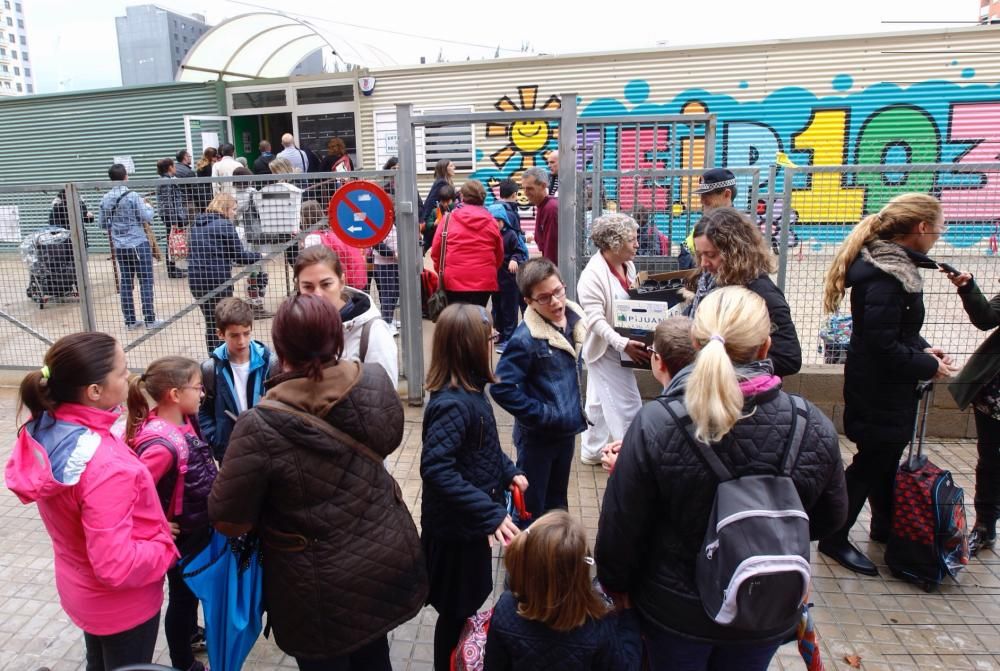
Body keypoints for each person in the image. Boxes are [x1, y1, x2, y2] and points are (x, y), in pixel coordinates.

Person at [596, 287, 847, 670]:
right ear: (766, 347)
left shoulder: (657, 423)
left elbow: (622, 527)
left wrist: (616, 585)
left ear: (697, 344)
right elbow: (830, 518)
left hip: (676, 611)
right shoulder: (810, 422)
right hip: (763, 603)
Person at [209, 294, 427, 671]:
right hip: (382, 560)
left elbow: (228, 520)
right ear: (336, 338)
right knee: (374, 657)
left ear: (280, 347)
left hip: (315, 588)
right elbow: (390, 437)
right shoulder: (371, 380)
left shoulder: (259, 426)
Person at [6, 332, 177, 671]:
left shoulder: (49, 428)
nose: (129, 377)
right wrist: (162, 548)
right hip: (122, 605)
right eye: (121, 371)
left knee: (98, 661)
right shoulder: (104, 467)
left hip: (83, 591)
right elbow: (115, 564)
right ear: (94, 391)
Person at [819, 193, 956, 575]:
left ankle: (883, 527)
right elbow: (881, 343)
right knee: (870, 462)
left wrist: (928, 351)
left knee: (883, 459)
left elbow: (897, 331)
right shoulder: (886, 275)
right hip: (880, 389)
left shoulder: (892, 267)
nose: (939, 236)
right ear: (921, 228)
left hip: (884, 385)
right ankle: (834, 535)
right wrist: (926, 365)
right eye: (939, 228)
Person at [420, 303, 527, 671]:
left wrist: (508, 471)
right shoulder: (453, 404)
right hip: (455, 534)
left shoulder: (471, 392)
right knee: (454, 613)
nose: (493, 345)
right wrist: (490, 513)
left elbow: (483, 450)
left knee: (463, 608)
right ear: (470, 348)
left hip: (468, 527)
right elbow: (435, 468)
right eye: (489, 339)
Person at [125, 356, 217, 671]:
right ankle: (183, 661)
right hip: (181, 537)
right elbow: (128, 494)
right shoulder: (162, 446)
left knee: (189, 593)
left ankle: (191, 633)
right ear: (174, 395)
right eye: (197, 387)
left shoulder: (185, 419)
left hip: (196, 526)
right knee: (182, 599)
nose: (202, 394)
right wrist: (158, 523)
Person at [484, 510, 641, 671]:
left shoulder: (506, 608)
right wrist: (629, 617)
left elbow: (493, 665)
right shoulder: (597, 623)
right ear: (579, 572)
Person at [491, 258, 586, 521]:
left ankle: (553, 555)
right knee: (530, 507)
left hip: (565, 433)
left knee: (557, 502)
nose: (555, 302)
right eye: (544, 298)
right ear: (529, 301)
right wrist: (542, 414)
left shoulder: (574, 321)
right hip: (538, 439)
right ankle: (524, 557)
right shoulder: (526, 339)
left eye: (558, 292)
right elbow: (501, 388)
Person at [683, 207, 802, 377]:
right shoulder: (709, 281)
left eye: (710, 255)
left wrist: (737, 357)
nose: (703, 263)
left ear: (735, 252)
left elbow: (790, 359)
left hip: (747, 393)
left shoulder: (762, 293)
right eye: (700, 254)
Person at [577, 213, 647, 465]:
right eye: (631, 240)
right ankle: (632, 459)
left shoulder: (628, 265)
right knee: (627, 403)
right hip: (606, 347)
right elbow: (594, 320)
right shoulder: (592, 275)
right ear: (614, 244)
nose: (637, 244)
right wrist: (621, 343)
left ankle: (592, 450)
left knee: (598, 400)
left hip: (620, 343)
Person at [946, 268, 1000, 556]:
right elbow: (986, 318)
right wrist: (968, 287)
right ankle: (985, 525)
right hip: (995, 395)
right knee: (991, 459)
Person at [601, 315, 696, 473]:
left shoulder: (654, 417)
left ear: (658, 360)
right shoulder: (720, 400)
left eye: (651, 350)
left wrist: (620, 467)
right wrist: (631, 448)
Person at [294, 244, 398, 384]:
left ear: (341, 282)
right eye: (308, 287)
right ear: (298, 287)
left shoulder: (373, 332)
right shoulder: (294, 328)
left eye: (326, 284)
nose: (318, 294)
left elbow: (385, 395)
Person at [199, 297, 279, 462]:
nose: (241, 341)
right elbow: (204, 410)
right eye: (234, 335)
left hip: (268, 449)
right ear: (220, 334)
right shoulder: (210, 369)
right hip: (230, 452)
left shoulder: (271, 363)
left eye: (246, 333)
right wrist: (215, 440)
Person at [187, 193, 262, 353]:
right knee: (223, 320)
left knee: (210, 321)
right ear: (225, 208)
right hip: (217, 279)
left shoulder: (196, 224)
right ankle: (224, 357)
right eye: (233, 209)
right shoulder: (224, 225)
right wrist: (260, 256)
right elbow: (240, 256)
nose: (235, 213)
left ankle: (213, 357)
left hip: (196, 279)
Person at [99, 163, 164, 330]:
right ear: (125, 176)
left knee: (126, 282)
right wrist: (149, 207)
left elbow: (102, 223)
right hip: (138, 243)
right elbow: (146, 216)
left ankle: (130, 321)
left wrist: (117, 226)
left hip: (120, 246)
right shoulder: (133, 196)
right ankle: (150, 319)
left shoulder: (106, 198)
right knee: (146, 281)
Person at [430, 180, 504, 307]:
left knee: (455, 321)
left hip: (453, 279)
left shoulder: (448, 219)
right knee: (477, 320)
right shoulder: (492, 222)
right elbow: (499, 254)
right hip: (484, 280)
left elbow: (436, 251)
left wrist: (443, 272)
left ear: (462, 197)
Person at [490, 178, 529, 350]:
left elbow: (520, 251)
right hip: (496, 279)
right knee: (497, 307)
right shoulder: (491, 235)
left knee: (510, 308)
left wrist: (515, 259)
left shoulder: (511, 235)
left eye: (498, 221)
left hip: (510, 278)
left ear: (504, 220)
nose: (495, 224)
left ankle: (510, 337)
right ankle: (501, 334)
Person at [301, 200, 369, 290]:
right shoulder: (334, 232)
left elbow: (310, 265)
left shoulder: (313, 237)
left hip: (337, 283)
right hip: (355, 279)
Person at [156, 157, 189, 279]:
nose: (175, 168)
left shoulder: (168, 180)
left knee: (171, 241)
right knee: (171, 242)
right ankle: (171, 269)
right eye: (174, 166)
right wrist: (174, 219)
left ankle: (173, 266)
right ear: (170, 167)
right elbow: (168, 202)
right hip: (170, 216)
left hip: (171, 215)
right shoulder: (165, 181)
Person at [523, 166, 559, 263]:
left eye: (530, 188)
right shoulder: (543, 206)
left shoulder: (550, 209)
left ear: (543, 186)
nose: (525, 193)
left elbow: (551, 250)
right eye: (524, 188)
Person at [420, 158, 456, 225]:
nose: (454, 167)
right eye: (451, 166)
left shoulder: (447, 181)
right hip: (437, 220)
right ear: (444, 169)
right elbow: (431, 201)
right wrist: (424, 220)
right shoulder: (441, 182)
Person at [422, 182, 456, 252]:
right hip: (439, 241)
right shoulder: (435, 211)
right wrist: (434, 224)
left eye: (448, 201)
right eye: (443, 202)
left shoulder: (456, 210)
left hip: (452, 241)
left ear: (453, 200)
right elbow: (428, 224)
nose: (445, 204)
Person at [193, 148, 218, 212]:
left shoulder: (201, 164)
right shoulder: (209, 166)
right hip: (208, 193)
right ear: (211, 156)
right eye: (215, 156)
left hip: (201, 192)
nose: (216, 158)